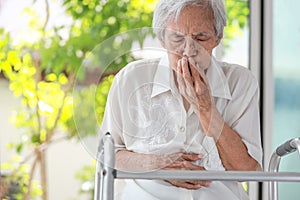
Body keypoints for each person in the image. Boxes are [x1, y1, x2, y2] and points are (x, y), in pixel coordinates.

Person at [99, 0, 263, 199]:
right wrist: (158, 166)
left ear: (217, 38)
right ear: (162, 38)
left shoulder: (240, 82)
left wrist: (206, 109)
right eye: (177, 38)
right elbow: (109, 157)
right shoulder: (131, 79)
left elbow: (248, 171)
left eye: (201, 37)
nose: (188, 50)